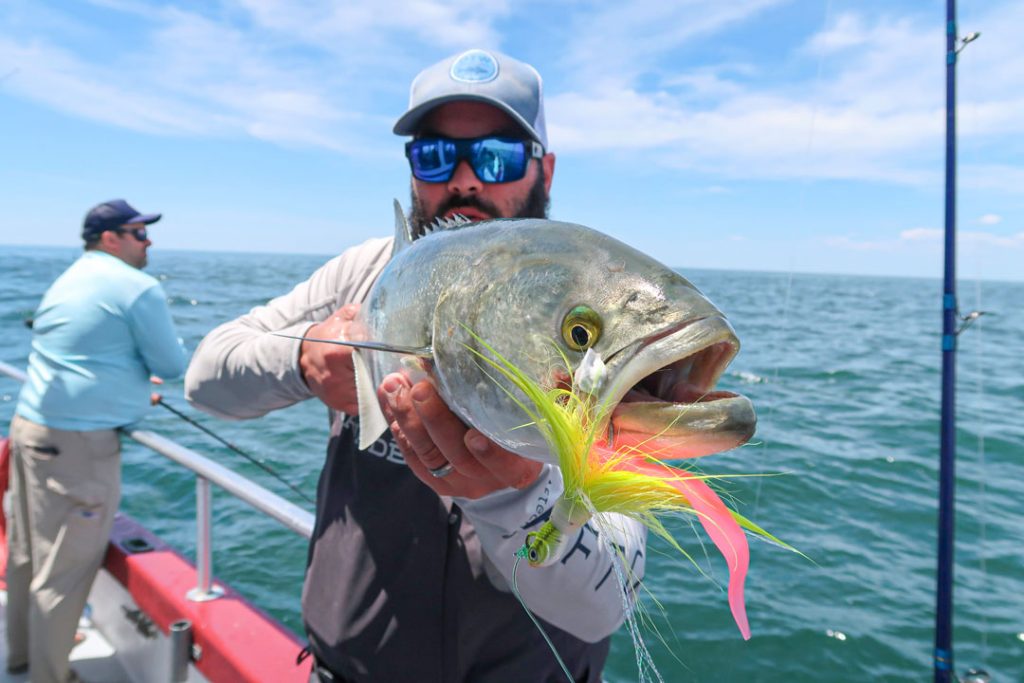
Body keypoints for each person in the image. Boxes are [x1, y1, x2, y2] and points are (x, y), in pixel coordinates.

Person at [185, 49, 647, 683]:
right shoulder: (364, 273)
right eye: (435, 155)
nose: (465, 180)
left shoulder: (594, 314)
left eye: (497, 156)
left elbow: (607, 605)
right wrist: (302, 358)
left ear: (544, 168)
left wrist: (517, 493)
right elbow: (205, 380)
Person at [6, 199, 188, 683]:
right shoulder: (137, 287)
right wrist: (140, 384)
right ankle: (48, 676)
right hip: (79, 446)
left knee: (26, 551)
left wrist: (126, 383)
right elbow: (171, 365)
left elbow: (83, 355)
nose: (148, 241)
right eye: (139, 233)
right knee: (64, 569)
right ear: (111, 238)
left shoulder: (69, 278)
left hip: (30, 428)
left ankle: (21, 656)